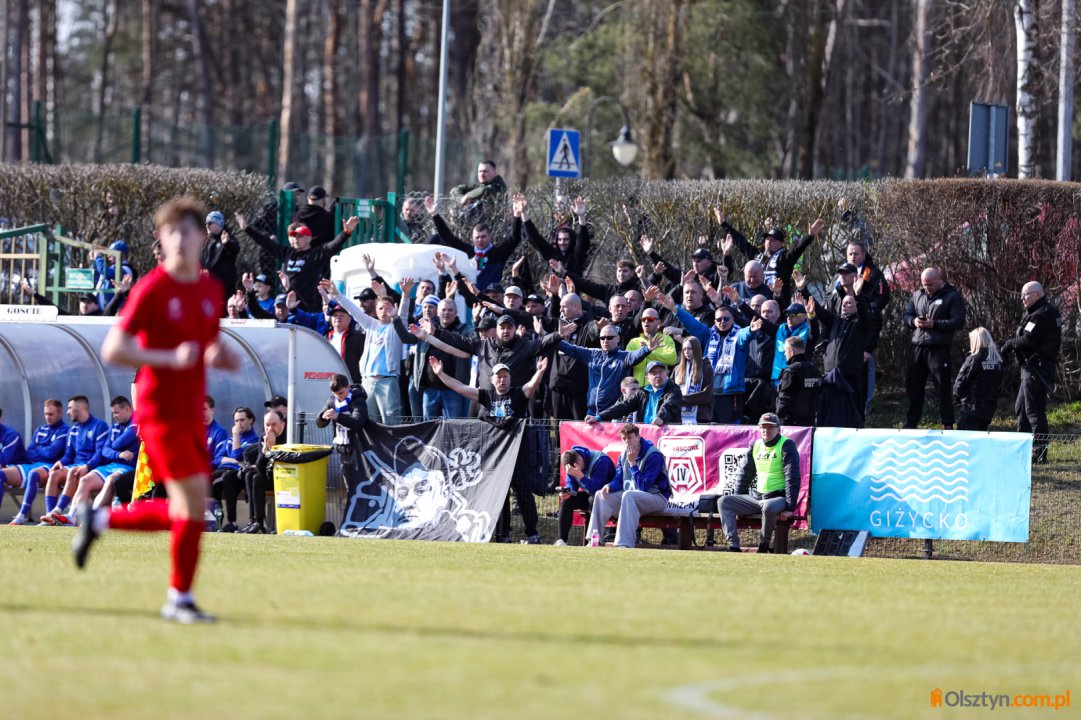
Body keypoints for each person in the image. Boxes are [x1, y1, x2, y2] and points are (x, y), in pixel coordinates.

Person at [74, 196, 241, 624]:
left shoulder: (209, 289)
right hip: (159, 411)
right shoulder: (152, 288)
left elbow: (207, 342)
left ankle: (100, 522)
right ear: (160, 239)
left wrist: (219, 355)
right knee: (191, 506)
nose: (181, 240)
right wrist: (169, 357)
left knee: (193, 509)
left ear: (203, 238)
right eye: (172, 232)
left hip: (190, 412)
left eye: (188, 231)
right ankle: (178, 599)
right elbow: (114, 348)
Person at [429, 357, 548, 544]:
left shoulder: (518, 395)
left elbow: (532, 386)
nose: (502, 380)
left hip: (518, 457)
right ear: (492, 380)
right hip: (496, 458)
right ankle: (503, 535)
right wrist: (441, 374)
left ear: (510, 379)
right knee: (500, 496)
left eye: (505, 376)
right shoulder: (486, 396)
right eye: (498, 377)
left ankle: (532, 534)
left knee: (524, 493)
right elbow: (460, 388)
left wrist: (540, 372)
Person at [237, 213, 360, 312]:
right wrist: (247, 229)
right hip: (288, 304)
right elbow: (267, 243)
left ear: (309, 238)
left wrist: (345, 233)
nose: (295, 239)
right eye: (293, 236)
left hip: (308, 307)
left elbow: (332, 246)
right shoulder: (287, 253)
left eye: (300, 236)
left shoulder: (315, 254)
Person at [719, 413, 800, 554]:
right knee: (723, 502)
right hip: (756, 498)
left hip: (777, 499)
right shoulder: (755, 445)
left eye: (770, 427)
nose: (766, 430)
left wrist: (790, 508)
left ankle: (763, 546)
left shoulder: (787, 445)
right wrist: (739, 500)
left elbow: (792, 477)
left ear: (778, 429)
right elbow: (745, 473)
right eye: (763, 427)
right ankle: (733, 546)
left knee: (768, 507)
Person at [662, 293, 748, 423]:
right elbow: (693, 324)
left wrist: (751, 330)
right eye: (719, 319)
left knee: (730, 429)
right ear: (715, 321)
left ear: (733, 320)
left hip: (731, 393)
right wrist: (675, 309)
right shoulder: (709, 334)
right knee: (710, 429)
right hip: (710, 393)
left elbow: (746, 333)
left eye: (726, 319)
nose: (722, 322)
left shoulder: (739, 335)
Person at [1001, 281, 1062, 462]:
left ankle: (1039, 453)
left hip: (1037, 368)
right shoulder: (1038, 312)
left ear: (1037, 294)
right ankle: (1024, 449)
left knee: (1034, 410)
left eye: (1025, 295)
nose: (1022, 299)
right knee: (1021, 408)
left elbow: (1028, 340)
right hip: (1031, 368)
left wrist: (1009, 344)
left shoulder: (1042, 314)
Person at [585, 423, 671, 549]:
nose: (627, 442)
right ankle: (594, 540)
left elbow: (644, 486)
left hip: (657, 498)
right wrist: (610, 486)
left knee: (628, 495)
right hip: (632, 497)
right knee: (600, 495)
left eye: (630, 438)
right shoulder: (623, 455)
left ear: (638, 437)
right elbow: (619, 479)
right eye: (624, 439)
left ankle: (624, 543)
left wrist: (632, 463)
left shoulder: (653, 455)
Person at [548, 323, 657, 418]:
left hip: (613, 413)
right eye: (602, 338)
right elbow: (570, 349)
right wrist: (557, 336)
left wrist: (647, 349)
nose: (605, 341)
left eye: (609, 337)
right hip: (592, 412)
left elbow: (635, 355)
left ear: (618, 339)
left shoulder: (624, 357)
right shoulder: (593, 354)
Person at [902, 268, 965, 429]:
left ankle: (948, 423)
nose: (927, 288)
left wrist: (934, 324)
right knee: (913, 387)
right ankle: (912, 421)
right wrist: (914, 321)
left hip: (938, 348)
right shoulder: (917, 295)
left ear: (939, 280)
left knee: (942, 387)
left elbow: (958, 321)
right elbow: (907, 315)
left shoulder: (952, 296)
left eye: (930, 284)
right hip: (917, 346)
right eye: (924, 285)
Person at [424, 194, 523, 291]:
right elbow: (448, 237)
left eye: (483, 237)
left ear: (490, 236)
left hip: (490, 295)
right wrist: (435, 215)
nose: (480, 240)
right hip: (468, 296)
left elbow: (514, 238)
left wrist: (517, 216)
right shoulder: (467, 251)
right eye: (477, 237)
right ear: (472, 238)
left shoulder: (498, 254)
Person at [38, 396, 109, 525]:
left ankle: (58, 510)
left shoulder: (100, 426)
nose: (67, 412)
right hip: (76, 466)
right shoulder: (73, 430)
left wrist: (87, 466)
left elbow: (100, 454)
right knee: (54, 474)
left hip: (93, 467)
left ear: (79, 408)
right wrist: (61, 462)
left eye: (70, 408)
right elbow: (68, 455)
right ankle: (50, 517)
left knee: (73, 472)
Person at [65, 396, 140, 515]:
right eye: (112, 413)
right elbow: (105, 450)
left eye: (116, 412)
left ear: (127, 409)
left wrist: (114, 447)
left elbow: (118, 443)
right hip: (112, 465)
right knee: (85, 480)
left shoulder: (136, 424)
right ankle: (71, 516)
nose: (114, 416)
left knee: (111, 480)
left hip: (129, 467)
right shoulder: (114, 427)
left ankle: (93, 518)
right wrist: (119, 454)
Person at [3, 401, 68, 525]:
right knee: (2, 474)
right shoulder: (40, 430)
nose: (47, 417)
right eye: (45, 414)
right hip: (33, 464)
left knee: (34, 474)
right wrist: (43, 450)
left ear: (60, 413)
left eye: (51, 414)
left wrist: (38, 448)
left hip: (51, 466)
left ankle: (22, 516)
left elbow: (52, 453)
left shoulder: (65, 430)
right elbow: (29, 453)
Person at [316, 373, 369, 496]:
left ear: (348, 387)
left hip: (359, 449)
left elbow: (358, 423)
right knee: (349, 487)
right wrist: (323, 417)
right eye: (335, 394)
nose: (339, 396)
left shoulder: (358, 400)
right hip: (342, 450)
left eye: (341, 393)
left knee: (363, 485)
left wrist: (337, 416)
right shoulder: (332, 400)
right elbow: (319, 423)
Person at [211, 406, 262, 533]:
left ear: (251, 420)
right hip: (225, 472)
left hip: (240, 475)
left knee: (227, 477)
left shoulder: (254, 440)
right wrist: (233, 461)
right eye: (236, 421)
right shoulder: (228, 440)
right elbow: (217, 459)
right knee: (209, 479)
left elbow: (238, 455)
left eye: (242, 420)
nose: (239, 424)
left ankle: (231, 522)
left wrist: (235, 435)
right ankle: (213, 520)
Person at [587, 361, 683, 426]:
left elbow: (669, 405)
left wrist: (660, 417)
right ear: (647, 378)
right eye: (654, 373)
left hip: (666, 436)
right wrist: (599, 417)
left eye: (660, 372)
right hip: (645, 434)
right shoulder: (642, 392)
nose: (658, 375)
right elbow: (624, 405)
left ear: (666, 373)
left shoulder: (674, 389)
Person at [556, 446, 616, 546]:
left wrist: (581, 476)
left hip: (607, 496)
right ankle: (562, 540)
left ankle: (594, 540)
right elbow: (571, 484)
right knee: (567, 501)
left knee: (594, 499)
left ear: (580, 459)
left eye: (574, 469)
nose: (573, 471)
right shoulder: (572, 464)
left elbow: (597, 489)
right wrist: (567, 492)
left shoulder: (601, 460)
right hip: (590, 494)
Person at [953, 327, 1003, 431]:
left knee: (964, 438)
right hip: (989, 409)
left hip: (972, 408)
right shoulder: (998, 360)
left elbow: (960, 382)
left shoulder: (974, 359)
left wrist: (957, 397)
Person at [776, 336, 821, 427]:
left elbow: (785, 398)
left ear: (791, 352)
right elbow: (819, 395)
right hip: (810, 422)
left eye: (785, 351)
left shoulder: (791, 371)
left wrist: (777, 417)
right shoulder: (814, 369)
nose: (784, 354)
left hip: (791, 423)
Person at [200, 211, 239, 314]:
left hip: (224, 288)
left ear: (219, 223)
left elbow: (235, 250)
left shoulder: (227, 237)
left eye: (210, 223)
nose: (207, 226)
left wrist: (227, 244)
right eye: (206, 223)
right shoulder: (206, 241)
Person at [672, 335, 715, 424]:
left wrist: (680, 399)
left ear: (696, 349)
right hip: (679, 418)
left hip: (700, 418)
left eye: (689, 349)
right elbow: (671, 391)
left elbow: (707, 395)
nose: (687, 352)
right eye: (684, 349)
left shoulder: (706, 368)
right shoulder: (677, 369)